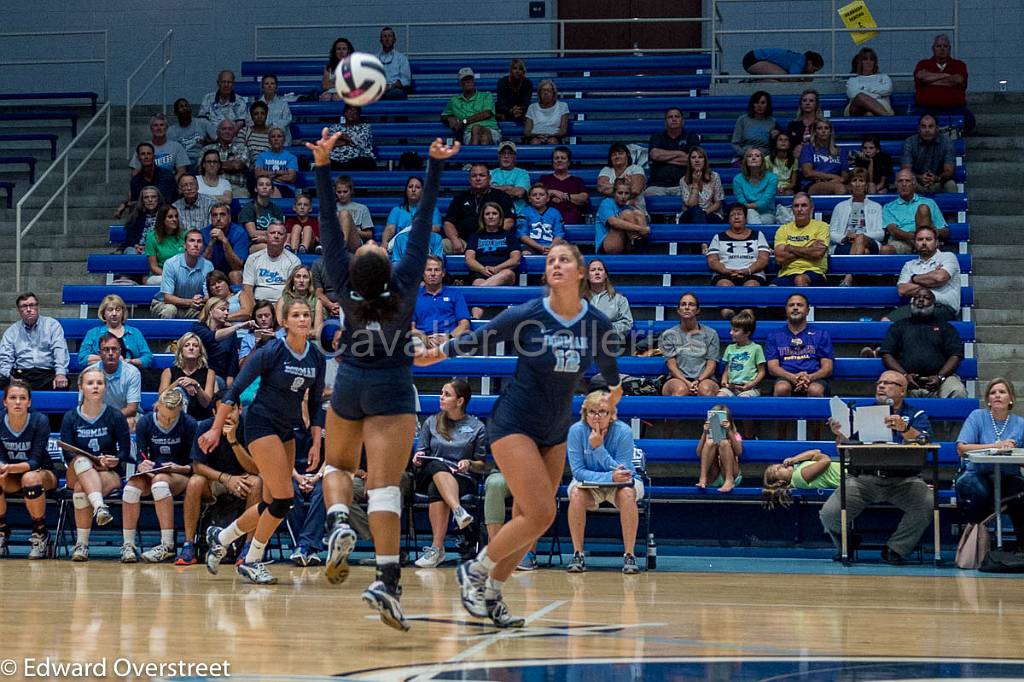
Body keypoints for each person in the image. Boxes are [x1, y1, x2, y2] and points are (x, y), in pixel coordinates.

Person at [416, 238, 623, 629]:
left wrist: (610, 398)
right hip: (513, 423)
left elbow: (611, 377)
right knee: (542, 510)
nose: (556, 265)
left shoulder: (597, 324)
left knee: (535, 519)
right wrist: (434, 353)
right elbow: (476, 339)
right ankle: (475, 571)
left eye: (565, 259)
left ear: (580, 273)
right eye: (550, 260)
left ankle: (491, 592)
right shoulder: (528, 314)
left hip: (556, 428)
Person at [310, 130, 460, 630]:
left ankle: (335, 523)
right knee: (383, 487)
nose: (370, 239)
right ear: (389, 269)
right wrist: (435, 165)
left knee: (337, 464)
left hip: (350, 382)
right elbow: (422, 223)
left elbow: (328, 223)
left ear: (353, 271)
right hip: (393, 388)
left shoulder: (341, 281)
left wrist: (324, 165)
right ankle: (387, 582)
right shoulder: (406, 286)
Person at [199, 297, 326, 585]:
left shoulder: (316, 357)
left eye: (307, 314)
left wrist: (317, 442)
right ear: (285, 321)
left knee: (271, 502)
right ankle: (251, 560)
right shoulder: (271, 351)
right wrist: (216, 430)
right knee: (284, 499)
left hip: (287, 429)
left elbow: (317, 404)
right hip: (259, 423)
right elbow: (234, 391)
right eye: (296, 315)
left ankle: (222, 537)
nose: (303, 319)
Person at [819, 370, 933, 564]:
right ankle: (847, 543)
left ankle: (896, 548)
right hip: (863, 479)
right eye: (879, 382)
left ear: (902, 390)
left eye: (888, 383)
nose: (881, 386)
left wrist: (905, 429)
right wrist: (840, 434)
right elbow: (845, 450)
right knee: (829, 513)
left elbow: (926, 442)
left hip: (904, 480)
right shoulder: (862, 413)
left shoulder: (916, 414)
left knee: (927, 503)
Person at [176, 394, 261, 566]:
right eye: (223, 412)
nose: (228, 415)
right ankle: (189, 545)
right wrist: (226, 479)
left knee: (257, 482)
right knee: (194, 482)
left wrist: (233, 441)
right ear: (215, 413)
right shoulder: (205, 427)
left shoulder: (250, 427)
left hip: (243, 480)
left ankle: (248, 547)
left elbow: (256, 469)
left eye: (232, 410)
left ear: (240, 409)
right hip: (216, 480)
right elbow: (198, 466)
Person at [565, 391, 643, 574]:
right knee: (576, 493)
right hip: (590, 484)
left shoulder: (623, 431)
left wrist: (598, 448)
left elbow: (623, 473)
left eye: (602, 412)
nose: (597, 417)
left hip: (622, 483)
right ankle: (578, 553)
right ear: (585, 414)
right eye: (592, 412)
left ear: (612, 414)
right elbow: (578, 472)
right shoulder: (576, 431)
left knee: (627, 493)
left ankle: (629, 555)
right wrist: (608, 477)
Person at [412, 379, 487, 568]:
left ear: (460, 401)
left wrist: (469, 463)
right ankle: (458, 511)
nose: (441, 397)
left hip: (461, 478)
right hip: (428, 471)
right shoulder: (431, 422)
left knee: (435, 488)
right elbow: (421, 453)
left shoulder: (477, 427)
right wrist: (419, 456)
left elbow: (482, 465)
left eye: (447, 394)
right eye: (441, 393)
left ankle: (437, 549)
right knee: (438, 467)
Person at [61, 367, 132, 561]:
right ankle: (100, 507)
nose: (95, 387)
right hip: (76, 469)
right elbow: (67, 453)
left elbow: (125, 451)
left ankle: (81, 545)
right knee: (82, 462)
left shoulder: (115, 416)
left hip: (107, 472)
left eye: (99, 383)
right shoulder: (70, 417)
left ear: (105, 388)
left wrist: (115, 459)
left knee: (80, 489)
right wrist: (91, 462)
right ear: (81, 387)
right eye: (90, 383)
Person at [121, 388, 197, 563]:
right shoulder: (145, 423)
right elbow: (140, 455)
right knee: (131, 487)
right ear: (157, 406)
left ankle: (168, 545)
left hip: (180, 474)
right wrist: (142, 464)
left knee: (159, 482)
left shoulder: (189, 424)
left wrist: (179, 468)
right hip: (152, 471)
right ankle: (128, 545)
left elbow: (195, 465)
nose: (167, 421)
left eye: (171, 418)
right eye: (163, 416)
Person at [954, 378, 1024, 545]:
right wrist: (996, 446)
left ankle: (1021, 547)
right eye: (993, 393)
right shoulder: (977, 417)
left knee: (1020, 495)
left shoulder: (1020, 423)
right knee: (982, 492)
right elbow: (962, 449)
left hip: (1007, 476)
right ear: (988, 400)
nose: (997, 396)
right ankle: (974, 544)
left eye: (1002, 392)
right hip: (975, 473)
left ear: (1011, 398)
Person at [0, 380, 58, 559]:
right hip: (11, 475)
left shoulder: (40, 420)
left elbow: (35, 460)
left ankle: (40, 532)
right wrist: (4, 467)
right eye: (13, 398)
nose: (17, 402)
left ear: (29, 402)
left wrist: (9, 467)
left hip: (43, 472)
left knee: (30, 478)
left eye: (22, 398)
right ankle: (2, 531)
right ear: (5, 402)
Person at [881, 288, 967, 398]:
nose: (921, 300)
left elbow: (956, 355)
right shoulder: (898, 326)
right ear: (911, 302)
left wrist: (940, 377)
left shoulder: (946, 327)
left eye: (926, 298)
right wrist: (904, 375)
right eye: (917, 297)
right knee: (887, 390)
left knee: (957, 390)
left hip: (940, 380)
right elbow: (887, 354)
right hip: (905, 379)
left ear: (934, 304)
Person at [765, 293, 834, 397]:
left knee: (815, 390)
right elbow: (772, 368)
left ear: (808, 310)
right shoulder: (774, 335)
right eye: (791, 305)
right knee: (782, 388)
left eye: (800, 305)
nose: (795, 308)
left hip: (814, 378)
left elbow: (827, 368)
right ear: (786, 309)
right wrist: (792, 377)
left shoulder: (821, 334)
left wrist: (809, 378)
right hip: (785, 377)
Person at [829, 169, 888, 286]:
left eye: (861, 180)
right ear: (849, 185)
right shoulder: (840, 207)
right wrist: (844, 237)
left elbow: (881, 234)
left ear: (866, 185)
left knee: (860, 238)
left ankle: (848, 277)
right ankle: (861, 285)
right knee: (865, 252)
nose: (857, 183)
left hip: (870, 242)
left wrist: (859, 236)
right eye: (854, 180)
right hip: (845, 244)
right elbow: (831, 233)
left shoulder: (876, 207)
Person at [0, 292, 69, 390]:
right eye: (24, 306)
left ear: (38, 307)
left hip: (47, 374)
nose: (28, 310)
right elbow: (5, 358)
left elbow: (60, 350)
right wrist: (10, 376)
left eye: (32, 305)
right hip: (22, 375)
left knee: (61, 383)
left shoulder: (52, 325)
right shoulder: (11, 332)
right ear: (18, 310)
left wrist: (60, 373)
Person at [893, 225, 961, 321]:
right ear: (915, 243)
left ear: (936, 242)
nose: (924, 243)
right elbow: (902, 290)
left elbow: (939, 278)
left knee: (920, 324)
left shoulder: (948, 257)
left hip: (941, 307)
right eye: (920, 239)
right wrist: (931, 280)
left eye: (928, 239)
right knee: (886, 322)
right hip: (915, 306)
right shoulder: (909, 265)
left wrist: (914, 279)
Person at [442, 163, 515, 254]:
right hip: (463, 243)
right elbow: (448, 223)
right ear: (469, 179)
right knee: (441, 244)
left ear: (489, 178)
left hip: (493, 241)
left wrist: (491, 238)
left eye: (482, 175)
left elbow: (509, 221)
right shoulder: (460, 198)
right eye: (474, 176)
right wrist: (454, 240)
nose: (478, 178)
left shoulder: (501, 196)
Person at [659, 292, 720, 397]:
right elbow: (671, 365)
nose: (687, 307)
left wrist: (698, 381)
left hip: (705, 378)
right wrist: (687, 382)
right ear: (678, 310)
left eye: (691, 304)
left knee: (705, 390)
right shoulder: (669, 334)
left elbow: (711, 365)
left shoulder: (711, 334)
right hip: (677, 378)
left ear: (697, 310)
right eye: (683, 304)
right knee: (680, 390)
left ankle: (709, 414)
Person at [707, 204, 772, 297]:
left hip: (753, 274)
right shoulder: (718, 237)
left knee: (751, 286)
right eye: (733, 215)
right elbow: (712, 260)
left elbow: (764, 258)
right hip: (724, 274)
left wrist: (749, 270)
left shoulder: (758, 235)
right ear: (729, 219)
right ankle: (727, 311)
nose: (736, 217)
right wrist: (725, 270)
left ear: (745, 218)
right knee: (724, 286)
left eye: (739, 214)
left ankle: (747, 311)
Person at [914, 34, 974, 135]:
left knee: (969, 121)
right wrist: (947, 76)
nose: (942, 49)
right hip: (927, 108)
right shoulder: (923, 64)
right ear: (933, 48)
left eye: (945, 46)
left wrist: (931, 80)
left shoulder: (959, 64)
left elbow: (958, 79)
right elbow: (921, 77)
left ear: (949, 48)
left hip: (954, 108)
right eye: (938, 46)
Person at [77, 294, 153, 370]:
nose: (114, 313)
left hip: (130, 373)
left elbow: (148, 358)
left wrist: (131, 362)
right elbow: (82, 359)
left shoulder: (135, 332)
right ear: (103, 313)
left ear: (123, 312)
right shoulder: (93, 333)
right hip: (100, 374)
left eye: (118, 309)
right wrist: (112, 359)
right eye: (110, 310)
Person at [150, 230, 213, 319]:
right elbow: (167, 298)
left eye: (199, 241)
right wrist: (191, 302)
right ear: (184, 245)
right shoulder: (171, 263)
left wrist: (200, 300)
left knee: (209, 311)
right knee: (170, 310)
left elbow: (209, 295)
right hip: (164, 303)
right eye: (191, 241)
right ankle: (166, 333)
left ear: (202, 246)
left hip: (191, 307)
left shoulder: (208, 266)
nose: (195, 244)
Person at [412, 256, 470, 349]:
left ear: (443, 273)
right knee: (413, 344)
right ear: (423, 273)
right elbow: (411, 328)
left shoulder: (455, 294)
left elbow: (464, 324)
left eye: (437, 270)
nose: (433, 274)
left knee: (461, 342)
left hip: (449, 338)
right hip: (423, 338)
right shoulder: (414, 297)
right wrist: (424, 338)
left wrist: (448, 337)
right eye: (429, 270)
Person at [240, 222, 300, 310]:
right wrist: (254, 309)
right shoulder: (253, 258)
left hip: (282, 305)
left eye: (280, 233)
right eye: (272, 233)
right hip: (258, 303)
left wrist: (279, 308)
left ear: (285, 238)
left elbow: (293, 290)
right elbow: (247, 288)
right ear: (266, 236)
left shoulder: (294, 261)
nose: (276, 236)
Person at [774, 193, 829, 287]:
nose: (799, 209)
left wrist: (790, 248)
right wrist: (809, 248)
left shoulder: (822, 226)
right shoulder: (783, 229)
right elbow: (779, 258)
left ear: (811, 208)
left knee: (800, 279)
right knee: (771, 289)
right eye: (796, 206)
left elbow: (817, 253)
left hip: (813, 272)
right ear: (792, 209)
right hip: (787, 273)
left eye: (804, 205)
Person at [159, 332, 217, 421]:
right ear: (181, 351)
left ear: (200, 352)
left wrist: (196, 385)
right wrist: (178, 382)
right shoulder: (168, 372)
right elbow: (162, 398)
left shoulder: (209, 373)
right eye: (186, 345)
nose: (191, 348)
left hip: (201, 420)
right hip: (175, 420)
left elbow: (206, 403)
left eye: (195, 346)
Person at [88, 333, 142, 426]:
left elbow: (132, 409)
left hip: (125, 416)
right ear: (99, 353)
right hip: (97, 416)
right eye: (106, 349)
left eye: (114, 349)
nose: (110, 353)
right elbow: (85, 405)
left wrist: (109, 419)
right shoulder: (89, 373)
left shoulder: (132, 372)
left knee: (129, 423)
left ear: (120, 351)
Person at [646, 107, 701, 196]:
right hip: (657, 185)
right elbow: (655, 155)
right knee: (645, 197)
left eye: (677, 116)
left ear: (683, 121)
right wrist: (680, 153)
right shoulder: (657, 137)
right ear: (665, 122)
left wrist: (663, 158)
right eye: (670, 117)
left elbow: (693, 161)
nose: (674, 119)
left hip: (684, 185)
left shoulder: (692, 137)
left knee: (695, 197)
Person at [465, 202, 521, 289]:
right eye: (487, 214)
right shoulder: (475, 236)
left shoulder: (509, 236)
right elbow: (469, 259)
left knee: (507, 273)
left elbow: (515, 260)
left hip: (503, 273)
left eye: (494, 213)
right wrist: (482, 269)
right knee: (478, 282)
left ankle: (479, 290)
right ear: (483, 217)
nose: (491, 216)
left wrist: (496, 268)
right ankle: (482, 289)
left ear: (500, 217)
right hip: (480, 273)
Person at [762, 449, 840, 509]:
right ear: (780, 482)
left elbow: (816, 451)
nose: (779, 465)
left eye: (777, 465)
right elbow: (826, 460)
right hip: (845, 477)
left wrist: (794, 459)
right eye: (776, 470)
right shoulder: (798, 477)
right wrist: (817, 457)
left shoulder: (798, 469)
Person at [192, 296, 245, 384]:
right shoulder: (198, 327)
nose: (226, 313)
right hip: (199, 374)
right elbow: (211, 337)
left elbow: (233, 358)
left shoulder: (230, 332)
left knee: (216, 381)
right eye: (222, 309)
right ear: (210, 310)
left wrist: (230, 376)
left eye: (227, 310)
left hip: (220, 376)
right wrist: (238, 326)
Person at [442, 68, 501, 145]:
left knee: (479, 131)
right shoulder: (454, 101)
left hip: (491, 130)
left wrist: (464, 121)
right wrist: (449, 118)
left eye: (470, 78)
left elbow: (486, 114)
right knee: (480, 134)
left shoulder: (486, 95)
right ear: (460, 83)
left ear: (474, 80)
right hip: (469, 134)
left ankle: (474, 154)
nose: (468, 81)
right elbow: (444, 115)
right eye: (465, 79)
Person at [901, 114, 957, 194]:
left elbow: (949, 171)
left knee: (951, 185)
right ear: (919, 129)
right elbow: (906, 170)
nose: (927, 130)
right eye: (923, 126)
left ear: (937, 128)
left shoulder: (947, 143)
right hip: (916, 182)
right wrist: (920, 178)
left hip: (938, 181)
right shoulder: (909, 142)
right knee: (905, 183)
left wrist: (936, 178)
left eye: (930, 126)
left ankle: (954, 206)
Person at [117, 143, 178, 217]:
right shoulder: (135, 180)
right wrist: (128, 204)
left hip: (168, 215)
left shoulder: (166, 175)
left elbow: (162, 201)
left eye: (149, 154)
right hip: (145, 216)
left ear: (154, 157)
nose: (146, 157)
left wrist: (126, 204)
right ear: (138, 158)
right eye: (143, 154)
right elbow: (136, 203)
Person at [383, 177, 442, 251]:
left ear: (423, 191)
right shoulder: (397, 210)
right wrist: (384, 244)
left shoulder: (432, 210)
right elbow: (390, 229)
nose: (413, 190)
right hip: (401, 246)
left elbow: (436, 228)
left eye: (417, 187)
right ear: (406, 190)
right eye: (410, 187)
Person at [695, 403, 744, 492]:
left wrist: (729, 431)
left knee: (724, 443)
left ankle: (729, 480)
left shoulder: (735, 434)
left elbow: (739, 452)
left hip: (731, 472)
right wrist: (704, 433)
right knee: (710, 442)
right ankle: (703, 478)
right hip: (713, 474)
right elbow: (698, 453)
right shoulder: (708, 436)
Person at [718, 310, 766, 398]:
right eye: (731, 329)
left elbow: (762, 371)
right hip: (731, 387)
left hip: (750, 388)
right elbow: (727, 368)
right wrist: (724, 380)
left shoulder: (756, 348)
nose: (731, 333)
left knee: (743, 399)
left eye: (735, 331)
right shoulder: (730, 348)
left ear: (747, 333)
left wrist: (751, 384)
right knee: (720, 397)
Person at [595, 178, 649, 254]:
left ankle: (639, 247)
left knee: (638, 213)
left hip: (625, 245)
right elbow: (613, 222)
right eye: (620, 193)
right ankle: (640, 249)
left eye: (626, 193)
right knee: (627, 213)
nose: (623, 196)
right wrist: (640, 229)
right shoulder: (606, 203)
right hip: (607, 246)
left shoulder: (628, 208)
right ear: (614, 193)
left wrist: (643, 230)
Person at [129, 113, 189, 179]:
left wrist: (171, 184)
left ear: (166, 128)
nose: (159, 128)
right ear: (151, 129)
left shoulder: (177, 147)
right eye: (155, 125)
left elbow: (182, 172)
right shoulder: (143, 147)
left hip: (169, 184)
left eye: (162, 125)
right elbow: (135, 172)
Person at [540, 146, 589, 226]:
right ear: (552, 162)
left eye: (563, 158)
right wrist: (553, 192)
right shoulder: (544, 179)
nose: (559, 160)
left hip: (572, 220)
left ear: (569, 162)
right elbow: (537, 196)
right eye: (556, 158)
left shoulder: (577, 181)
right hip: (547, 222)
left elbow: (583, 198)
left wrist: (565, 197)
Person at [201, 202, 249, 283]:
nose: (218, 218)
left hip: (231, 271)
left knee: (235, 274)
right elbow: (201, 265)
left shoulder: (239, 233)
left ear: (229, 218)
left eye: (222, 214)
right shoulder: (203, 233)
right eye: (214, 215)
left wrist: (225, 241)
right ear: (211, 218)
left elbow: (237, 266)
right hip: (211, 272)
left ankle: (237, 295)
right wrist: (211, 244)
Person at [585, 259, 633, 339]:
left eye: (600, 269)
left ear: (606, 275)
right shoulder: (579, 300)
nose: (597, 272)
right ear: (587, 276)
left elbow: (627, 324)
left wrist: (606, 328)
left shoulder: (619, 299)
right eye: (593, 270)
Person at [201, 120, 250, 198]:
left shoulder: (242, 149)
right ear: (218, 132)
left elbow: (237, 166)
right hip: (211, 186)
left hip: (236, 188)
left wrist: (212, 164)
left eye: (230, 129)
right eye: (224, 129)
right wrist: (229, 164)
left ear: (234, 133)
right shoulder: (206, 149)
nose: (227, 131)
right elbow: (201, 168)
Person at [800, 119, 848, 194]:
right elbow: (808, 173)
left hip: (835, 182)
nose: (823, 131)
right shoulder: (808, 148)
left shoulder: (840, 151)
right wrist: (832, 176)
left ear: (830, 132)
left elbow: (844, 176)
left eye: (826, 128)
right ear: (815, 132)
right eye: (820, 128)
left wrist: (837, 179)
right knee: (840, 188)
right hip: (813, 184)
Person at [597, 142, 646, 216]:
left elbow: (636, 190)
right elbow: (602, 188)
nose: (617, 156)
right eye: (613, 155)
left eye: (620, 153)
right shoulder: (606, 170)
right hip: (613, 214)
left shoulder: (636, 168)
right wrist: (627, 185)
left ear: (628, 155)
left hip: (636, 213)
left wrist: (612, 187)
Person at [276, 265, 324, 341]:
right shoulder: (283, 300)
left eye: (305, 277)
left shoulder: (317, 302)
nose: (301, 280)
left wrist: (296, 333)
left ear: (310, 281)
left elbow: (317, 332)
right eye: (298, 276)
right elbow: (280, 328)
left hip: (310, 341)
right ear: (292, 280)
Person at [239, 176, 286, 252]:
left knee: (285, 247)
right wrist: (271, 234)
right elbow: (253, 233)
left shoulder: (276, 209)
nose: (264, 187)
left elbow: (281, 231)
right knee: (273, 248)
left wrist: (266, 237)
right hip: (254, 244)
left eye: (267, 185)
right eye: (261, 185)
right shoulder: (249, 208)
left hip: (273, 241)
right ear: (256, 189)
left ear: (271, 190)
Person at [679, 146, 724, 224]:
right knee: (696, 210)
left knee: (699, 215)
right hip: (689, 215)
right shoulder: (683, 180)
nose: (697, 160)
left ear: (705, 161)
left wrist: (704, 213)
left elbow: (718, 203)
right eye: (693, 157)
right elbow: (691, 205)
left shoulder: (715, 176)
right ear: (689, 161)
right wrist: (695, 183)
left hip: (710, 213)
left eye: (700, 157)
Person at [732, 147, 777, 224]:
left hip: (767, 213)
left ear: (762, 160)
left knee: (756, 218)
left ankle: (755, 233)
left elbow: (765, 201)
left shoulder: (772, 178)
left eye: (757, 156)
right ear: (745, 161)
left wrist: (750, 207)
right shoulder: (737, 179)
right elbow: (741, 200)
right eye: (750, 156)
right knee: (750, 212)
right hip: (746, 213)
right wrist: (750, 208)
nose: (753, 158)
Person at [518, 182, 565, 255]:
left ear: (547, 198)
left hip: (552, 245)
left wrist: (551, 247)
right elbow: (522, 235)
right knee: (524, 253)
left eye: (541, 195)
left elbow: (559, 234)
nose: (537, 197)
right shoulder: (524, 212)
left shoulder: (555, 213)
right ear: (529, 199)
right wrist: (539, 247)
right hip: (530, 246)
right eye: (534, 195)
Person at [327, 104, 377, 171]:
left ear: (358, 115)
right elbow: (330, 143)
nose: (351, 114)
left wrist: (343, 138)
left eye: (354, 112)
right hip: (335, 158)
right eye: (349, 112)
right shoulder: (334, 127)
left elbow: (363, 143)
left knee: (366, 162)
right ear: (344, 113)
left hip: (357, 158)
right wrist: (350, 140)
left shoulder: (365, 127)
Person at [846, 47, 894, 116]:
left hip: (881, 105)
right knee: (860, 97)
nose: (869, 62)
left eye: (871, 60)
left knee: (869, 114)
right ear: (860, 62)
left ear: (875, 62)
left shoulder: (884, 77)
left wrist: (864, 89)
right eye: (865, 59)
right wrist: (877, 95)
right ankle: (889, 119)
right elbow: (852, 94)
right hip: (857, 109)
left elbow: (888, 90)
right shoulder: (853, 80)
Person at [117, 185, 166, 253]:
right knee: (131, 252)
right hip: (137, 248)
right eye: (146, 197)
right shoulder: (135, 216)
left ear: (158, 199)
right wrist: (136, 245)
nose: (150, 200)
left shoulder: (166, 216)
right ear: (142, 201)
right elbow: (130, 238)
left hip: (159, 247)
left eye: (153, 197)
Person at [144, 204, 185, 284]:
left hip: (183, 274)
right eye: (170, 217)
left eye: (176, 216)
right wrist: (171, 276)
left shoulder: (184, 235)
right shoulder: (152, 237)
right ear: (162, 219)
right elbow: (154, 267)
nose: (174, 219)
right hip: (161, 275)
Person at [254, 127, 298, 198]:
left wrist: (268, 175)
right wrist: (279, 172)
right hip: (264, 187)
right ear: (269, 140)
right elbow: (258, 174)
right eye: (273, 136)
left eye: (279, 136)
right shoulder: (262, 156)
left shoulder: (291, 157)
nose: (276, 139)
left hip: (285, 188)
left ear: (284, 140)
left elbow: (290, 177)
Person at [168, 98, 212, 170]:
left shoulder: (203, 123)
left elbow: (218, 141)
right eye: (181, 107)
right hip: (183, 163)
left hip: (202, 160)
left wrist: (206, 142)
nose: (184, 108)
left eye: (186, 105)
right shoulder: (171, 131)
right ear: (175, 112)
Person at [731, 91, 777, 158]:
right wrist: (744, 154)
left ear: (767, 105)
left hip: (765, 157)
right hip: (745, 155)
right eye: (756, 102)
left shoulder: (772, 122)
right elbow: (735, 143)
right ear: (752, 104)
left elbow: (774, 146)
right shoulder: (742, 120)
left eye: (763, 103)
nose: (759, 106)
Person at [524, 79, 569, 145]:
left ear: (554, 93)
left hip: (555, 137)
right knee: (535, 142)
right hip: (535, 137)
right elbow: (527, 132)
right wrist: (538, 135)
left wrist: (550, 135)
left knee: (552, 141)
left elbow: (563, 131)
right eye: (543, 90)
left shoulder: (562, 106)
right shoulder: (532, 107)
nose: (546, 93)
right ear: (539, 93)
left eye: (548, 90)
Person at [490, 142, 531, 214]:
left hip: (518, 214)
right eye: (503, 153)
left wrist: (494, 189)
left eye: (510, 153)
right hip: (495, 215)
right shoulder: (490, 173)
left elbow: (519, 193)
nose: (506, 156)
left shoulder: (522, 173)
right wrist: (508, 187)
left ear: (515, 157)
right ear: (499, 156)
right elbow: (485, 192)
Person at [333, 175, 376, 242]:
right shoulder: (332, 208)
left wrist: (351, 229)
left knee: (344, 213)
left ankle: (343, 244)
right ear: (335, 192)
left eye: (345, 192)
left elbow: (369, 234)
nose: (342, 195)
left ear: (351, 191)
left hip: (355, 241)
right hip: (335, 239)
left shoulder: (362, 208)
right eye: (339, 192)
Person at [238, 300, 279, 368]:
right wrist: (256, 346)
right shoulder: (248, 338)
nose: (263, 319)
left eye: (267, 315)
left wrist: (276, 338)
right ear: (255, 318)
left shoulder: (283, 333)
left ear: (273, 316)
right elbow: (242, 366)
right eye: (259, 316)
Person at [257, 74, 293, 144]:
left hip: (282, 143)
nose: (269, 86)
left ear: (276, 87)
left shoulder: (283, 104)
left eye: (272, 83)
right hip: (262, 141)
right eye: (266, 83)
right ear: (262, 87)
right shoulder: (256, 105)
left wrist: (271, 126)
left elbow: (287, 120)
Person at [377, 27, 411, 99]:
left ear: (394, 40)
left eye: (389, 36)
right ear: (380, 40)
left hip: (395, 90)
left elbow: (406, 80)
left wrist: (390, 86)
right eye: (384, 36)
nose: (387, 39)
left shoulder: (401, 58)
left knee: (396, 93)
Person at [742, 49, 824, 79]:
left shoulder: (798, 58)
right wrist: (806, 79)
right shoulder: (800, 61)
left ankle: (753, 80)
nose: (813, 73)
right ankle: (751, 81)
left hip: (753, 57)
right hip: (753, 59)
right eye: (814, 70)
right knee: (784, 77)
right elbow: (792, 79)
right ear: (810, 63)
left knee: (776, 80)